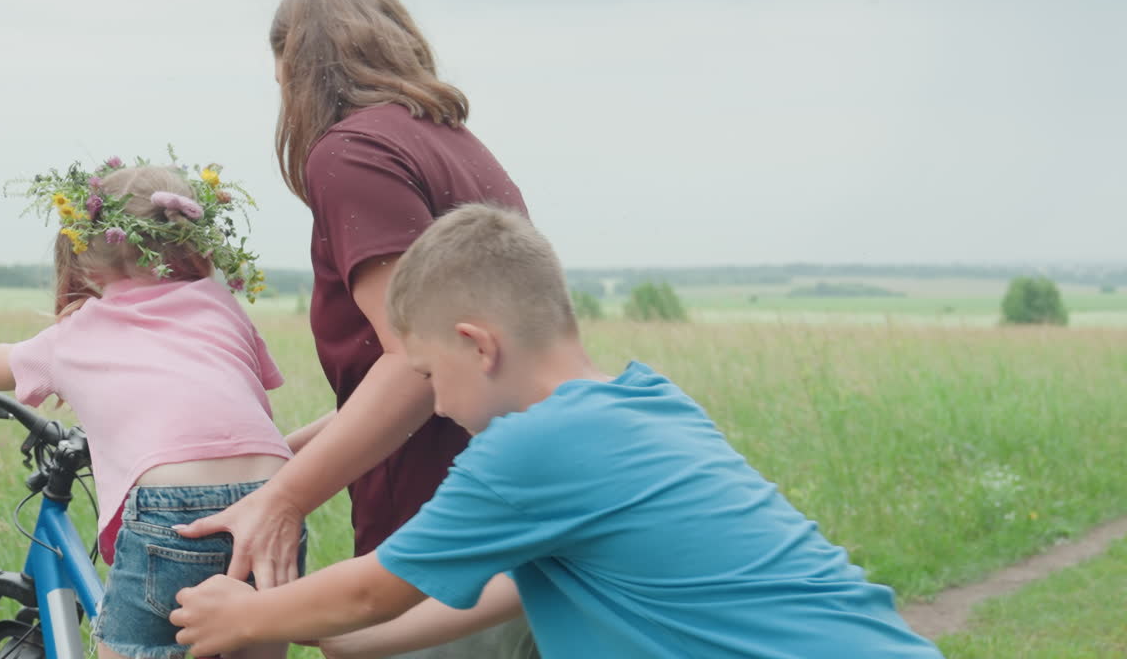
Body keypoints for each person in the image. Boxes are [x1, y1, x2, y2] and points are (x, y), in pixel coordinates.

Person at [169, 204, 945, 659]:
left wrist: (244, 616)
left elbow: (374, 587)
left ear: (479, 344)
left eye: (432, 376)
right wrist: (329, 636)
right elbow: (496, 589)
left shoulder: (535, 448)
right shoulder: (647, 402)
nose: (434, 407)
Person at [173, 0, 537, 658]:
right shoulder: (459, 146)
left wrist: (282, 501)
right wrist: (279, 458)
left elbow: (419, 363)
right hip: (517, 516)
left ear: (295, 66)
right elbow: (434, 368)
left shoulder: (354, 153)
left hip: (442, 532)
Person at [0, 160, 297, 659]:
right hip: (275, 496)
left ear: (87, 259)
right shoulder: (221, 302)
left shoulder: (80, 330)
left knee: (127, 648)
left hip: (174, 503)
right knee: (255, 642)